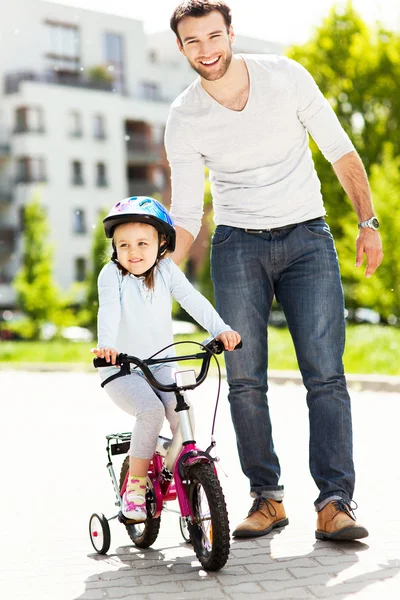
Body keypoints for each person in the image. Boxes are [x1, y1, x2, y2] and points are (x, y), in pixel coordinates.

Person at [164, 0, 383, 540]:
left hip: (308, 237)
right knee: (243, 380)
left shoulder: (285, 77)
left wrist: (368, 220)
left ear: (230, 33)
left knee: (326, 377)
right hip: (237, 246)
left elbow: (339, 150)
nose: (206, 51)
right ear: (180, 47)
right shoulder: (185, 116)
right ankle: (267, 498)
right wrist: (158, 269)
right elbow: (189, 211)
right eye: (193, 42)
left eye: (214, 37)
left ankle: (335, 502)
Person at [91, 196, 241, 521]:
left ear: (162, 243)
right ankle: (134, 488)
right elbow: (110, 311)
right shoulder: (111, 275)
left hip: (161, 365)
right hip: (122, 369)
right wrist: (107, 346)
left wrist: (221, 329)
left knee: (181, 415)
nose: (133, 251)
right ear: (114, 247)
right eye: (124, 244)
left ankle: (181, 482)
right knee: (151, 410)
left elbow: (192, 300)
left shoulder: (166, 270)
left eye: (142, 243)